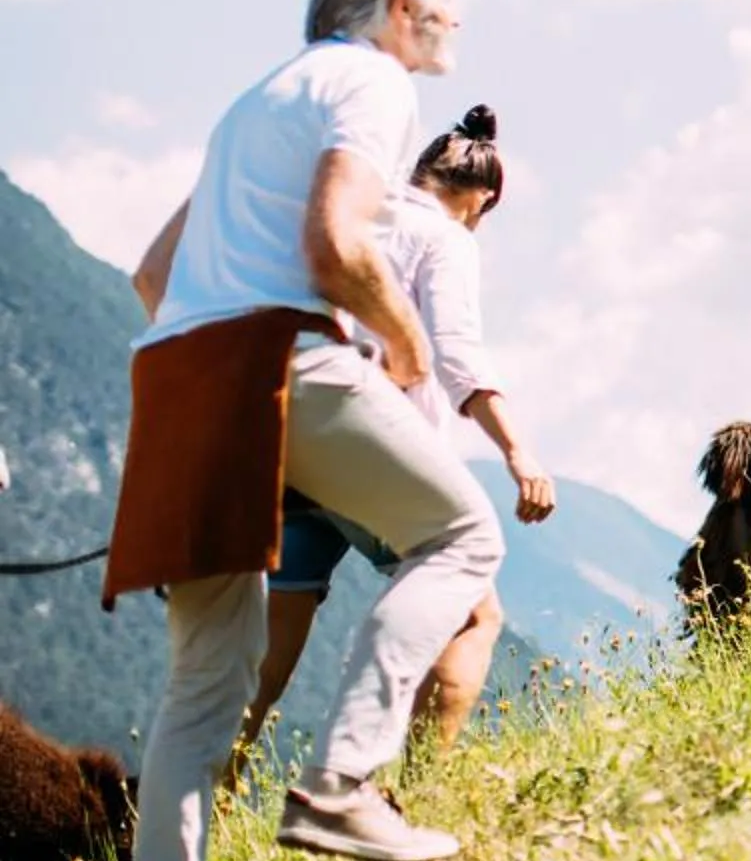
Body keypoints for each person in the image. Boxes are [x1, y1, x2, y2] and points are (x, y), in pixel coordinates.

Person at [109, 0, 505, 861]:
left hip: (184, 379)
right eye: (447, 6)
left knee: (204, 683)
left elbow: (155, 274)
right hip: (282, 361)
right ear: (400, 6)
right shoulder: (371, 83)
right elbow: (337, 242)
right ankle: (344, 782)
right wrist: (404, 341)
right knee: (462, 534)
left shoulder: (259, 102)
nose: (454, 22)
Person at [231, 105, 553, 773]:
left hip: (289, 446)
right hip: (370, 448)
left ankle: (201, 802)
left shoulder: (353, 213)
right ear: (483, 200)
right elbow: (457, 353)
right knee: (472, 616)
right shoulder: (445, 238)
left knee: (268, 659)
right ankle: (406, 790)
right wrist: (518, 452)